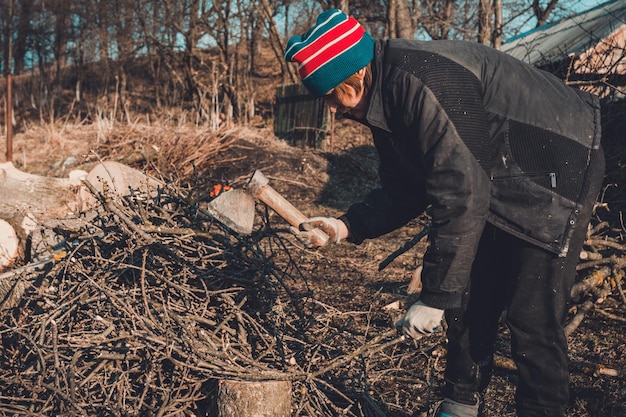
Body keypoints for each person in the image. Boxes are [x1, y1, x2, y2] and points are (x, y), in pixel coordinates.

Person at [284, 8, 606, 417]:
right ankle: (459, 406)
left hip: (557, 162)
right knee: (471, 297)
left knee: (532, 312)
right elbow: (407, 188)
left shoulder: (419, 84)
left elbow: (462, 193)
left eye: (331, 95)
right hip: (496, 174)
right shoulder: (385, 99)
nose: (331, 109)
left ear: (357, 76)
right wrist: (345, 225)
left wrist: (433, 296)